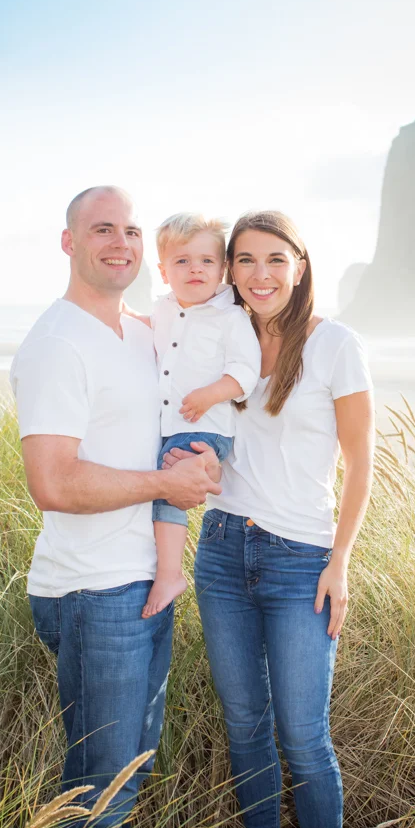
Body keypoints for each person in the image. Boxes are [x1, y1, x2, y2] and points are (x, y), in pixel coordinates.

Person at [9, 186, 221, 828]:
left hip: (143, 584)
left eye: (131, 230)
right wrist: (167, 488)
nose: (121, 243)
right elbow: (55, 483)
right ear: (69, 242)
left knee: (127, 770)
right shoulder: (57, 342)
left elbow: (173, 425)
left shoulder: (142, 331)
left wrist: (201, 467)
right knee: (100, 787)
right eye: (103, 229)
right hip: (92, 590)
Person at [188, 210, 374, 828]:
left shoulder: (335, 345)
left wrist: (340, 562)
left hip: (302, 559)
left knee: (302, 733)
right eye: (243, 260)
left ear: (299, 265)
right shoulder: (219, 342)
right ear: (229, 270)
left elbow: (360, 465)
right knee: (244, 724)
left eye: (273, 259)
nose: (258, 274)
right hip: (223, 551)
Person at [141, 213, 261, 618]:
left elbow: (247, 373)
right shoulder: (162, 310)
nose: (196, 268)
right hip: (169, 427)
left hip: (206, 429)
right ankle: (159, 561)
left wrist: (212, 393)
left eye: (207, 261)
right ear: (163, 271)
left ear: (223, 268)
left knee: (169, 480)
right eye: (182, 261)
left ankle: (170, 573)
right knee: (155, 477)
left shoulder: (230, 318)